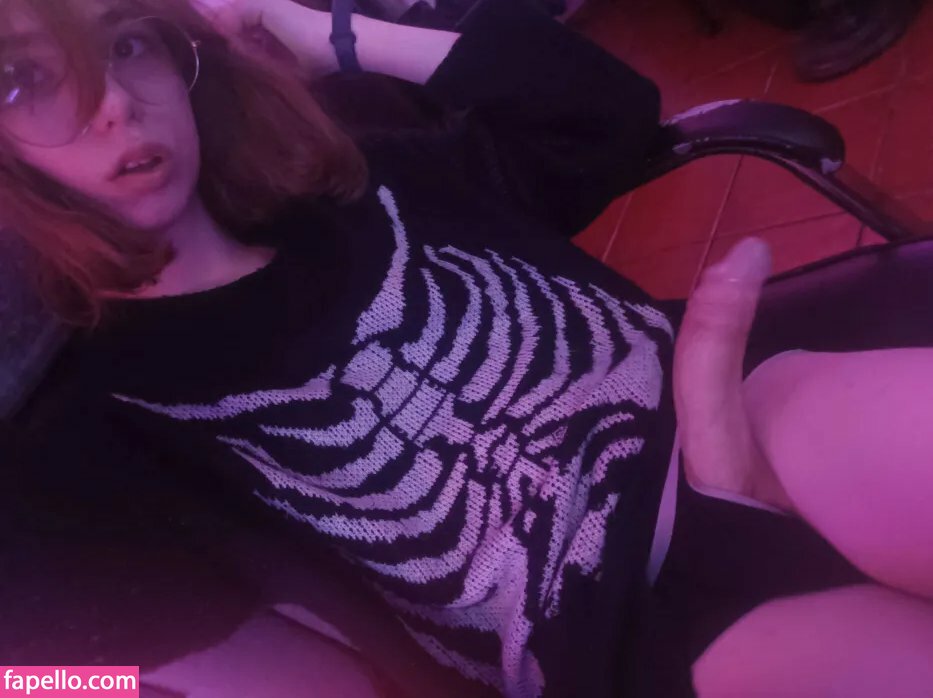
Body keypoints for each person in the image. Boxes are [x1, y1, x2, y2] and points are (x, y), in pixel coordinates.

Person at [1, 1, 931, 697]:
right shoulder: (91, 441)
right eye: (20, 80)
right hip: (643, 636)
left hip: (731, 410)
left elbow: (606, 111)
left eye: (128, 43)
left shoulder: (363, 179)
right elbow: (53, 679)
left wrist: (329, 34)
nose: (113, 104)